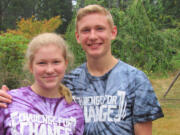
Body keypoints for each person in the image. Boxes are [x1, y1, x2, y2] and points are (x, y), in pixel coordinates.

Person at [0, 4, 163, 135]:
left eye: (99, 28)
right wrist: (6, 97)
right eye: (86, 30)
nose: (92, 36)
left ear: (113, 33)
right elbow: (37, 98)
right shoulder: (67, 80)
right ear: (78, 36)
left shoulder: (136, 80)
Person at [0, 33, 84, 135]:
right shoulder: (8, 101)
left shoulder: (74, 111)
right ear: (31, 66)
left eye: (56, 62)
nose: (49, 70)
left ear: (65, 64)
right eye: (42, 63)